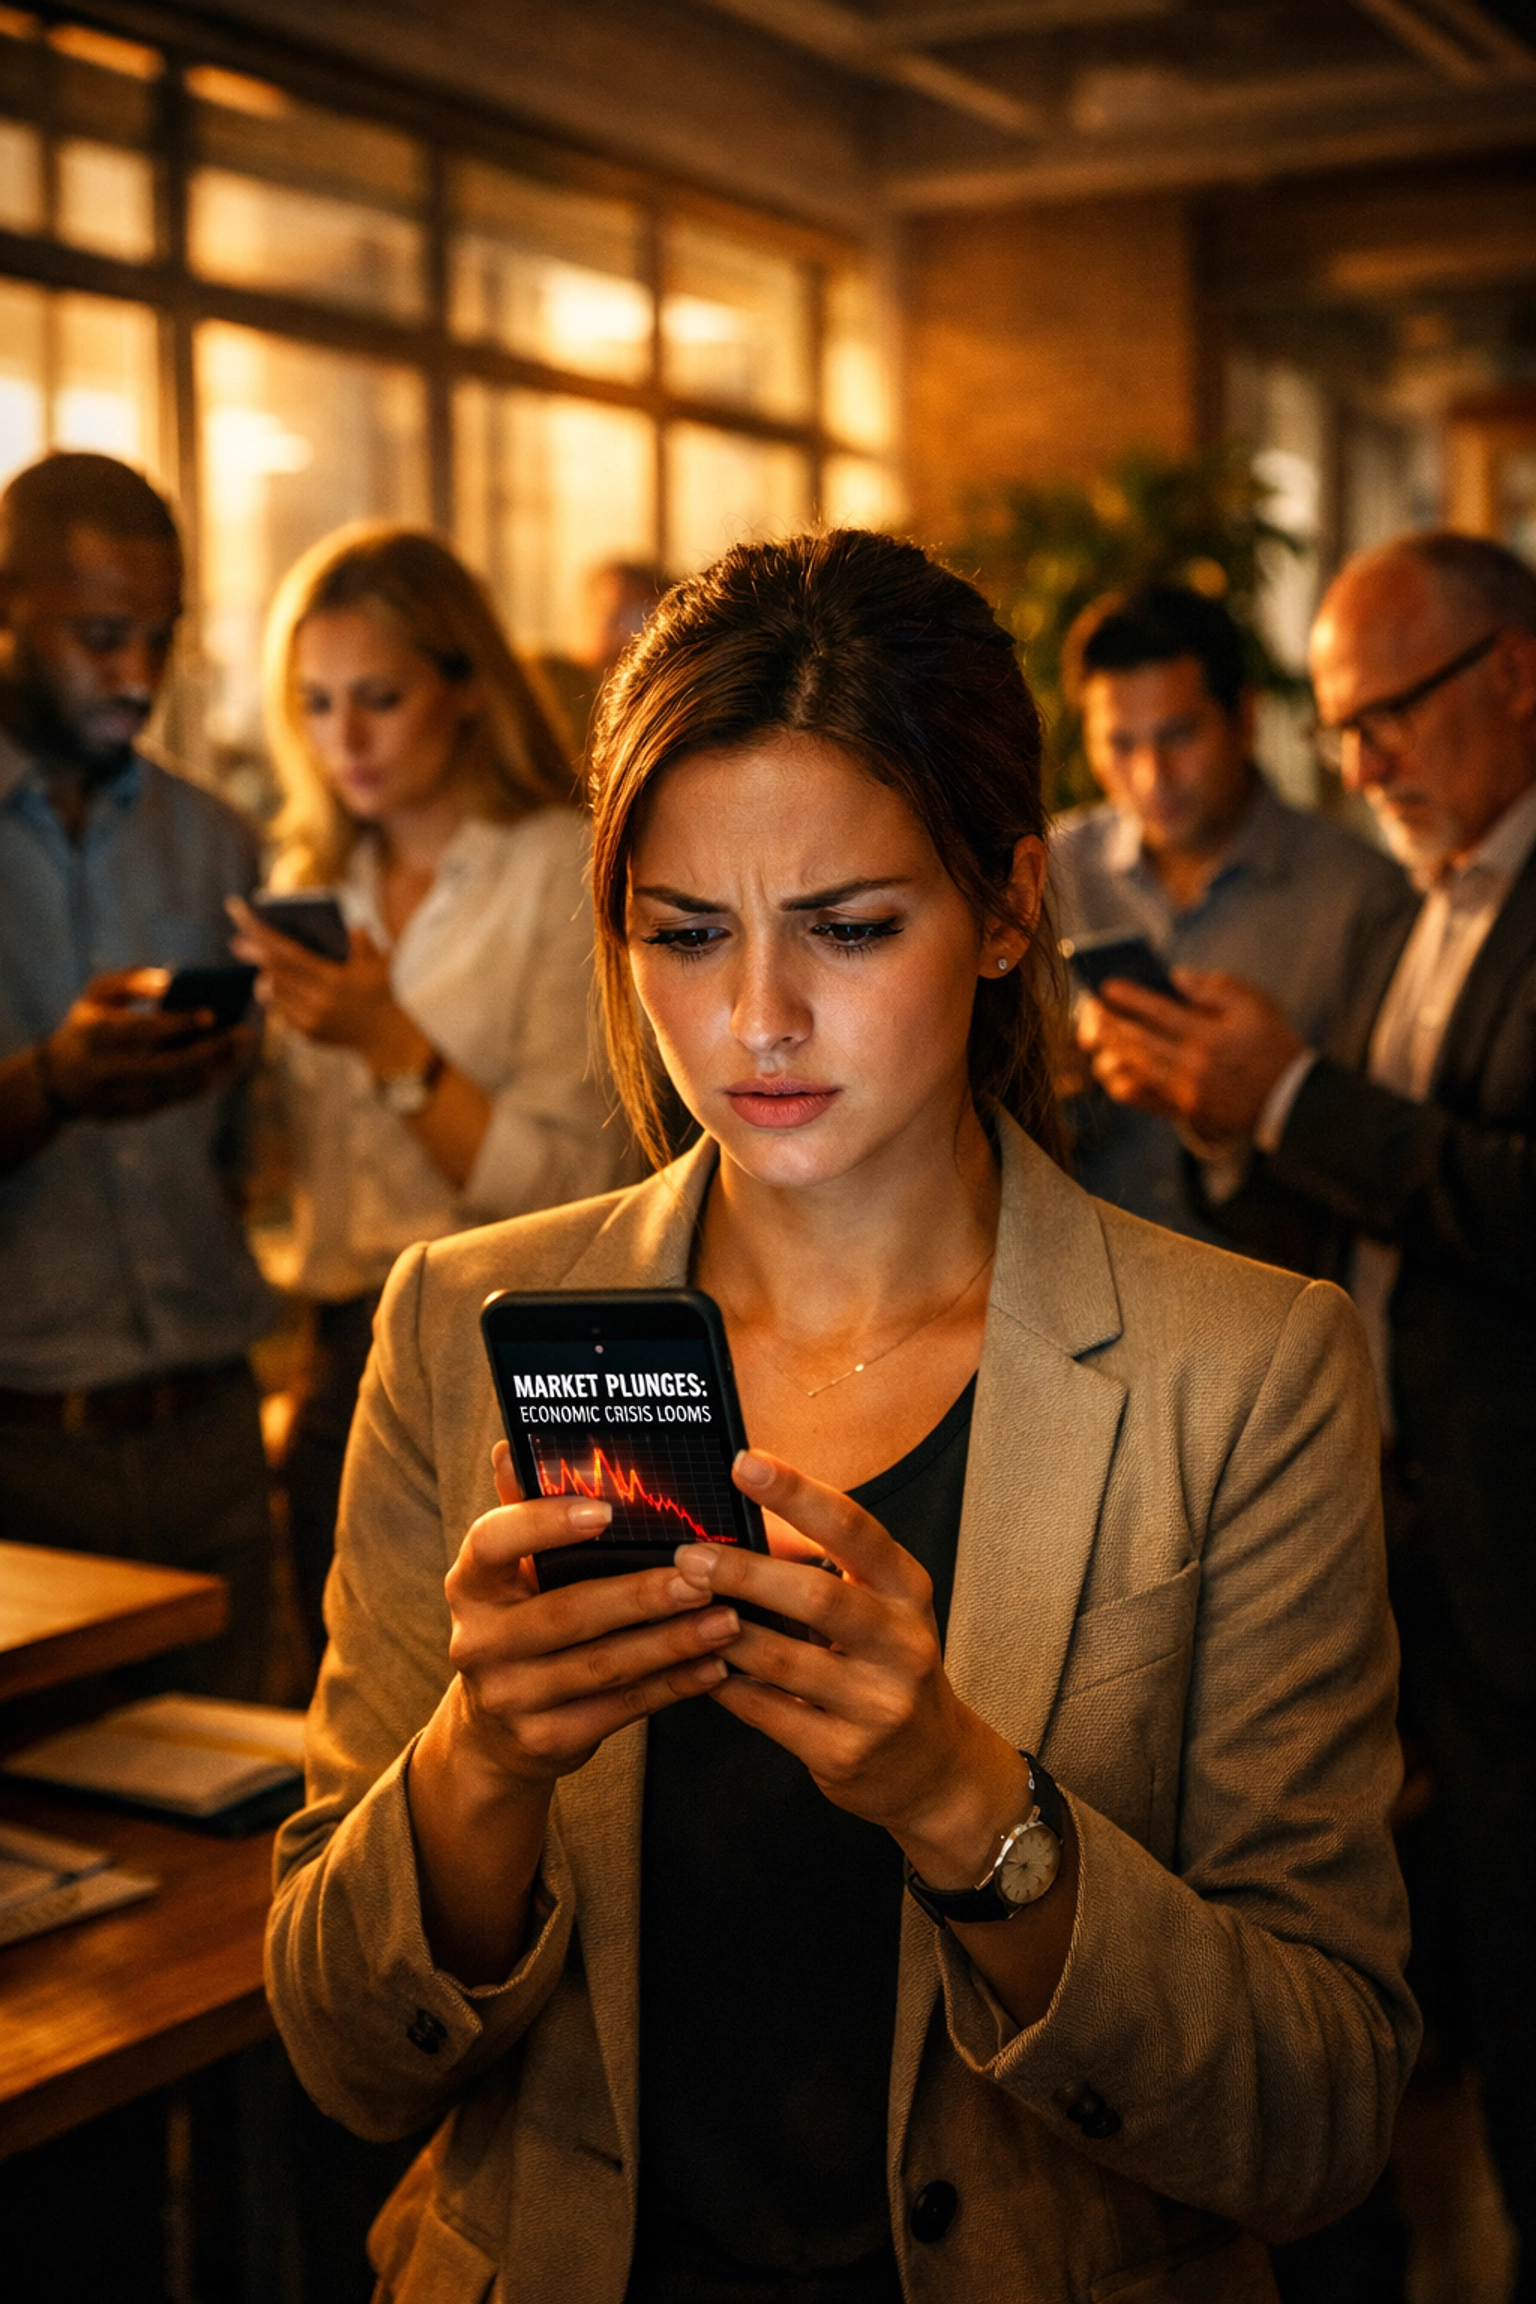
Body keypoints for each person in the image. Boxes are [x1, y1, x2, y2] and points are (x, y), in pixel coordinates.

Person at [266, 529, 1417, 2304]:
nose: (755, 1020)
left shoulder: (1242, 1371)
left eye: (850, 926)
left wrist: (966, 1798)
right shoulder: (458, 1326)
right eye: (684, 931)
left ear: (1010, 907)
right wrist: (480, 1761)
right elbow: (344, 2047)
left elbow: (1322, 2108)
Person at [1076, 530, 1536, 2298]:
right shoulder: (1445, 885)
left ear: (1508, 671)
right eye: (1343, 728)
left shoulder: (1383, 886)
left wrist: (1285, 1093)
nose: (1363, 764)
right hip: (1423, 1512)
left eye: (1388, 715)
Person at [230, 524, 631, 1672]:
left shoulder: (557, 869)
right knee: (342, 1707)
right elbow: (286, 1167)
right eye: (313, 704)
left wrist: (389, 1044)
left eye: (377, 697)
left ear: (464, 687)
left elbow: (572, 1181)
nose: (341, 737)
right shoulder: (309, 883)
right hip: (336, 1349)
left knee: (519, 1709)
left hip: (499, 1356)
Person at [0, 451, 272, 1698]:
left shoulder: (217, 839)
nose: (139, 676)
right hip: (24, 1452)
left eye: (160, 638)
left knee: (244, 1832)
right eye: (102, 635)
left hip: (211, 1426)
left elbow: (244, 1152)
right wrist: (51, 1085)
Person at [1052, 583, 1412, 1241]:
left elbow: (1388, 1156)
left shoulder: (1362, 896)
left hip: (1276, 1300)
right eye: (1121, 744)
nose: (1151, 776)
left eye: (1179, 735)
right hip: (1074, 1293)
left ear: (1244, 719)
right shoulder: (1050, 874)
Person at [536, 559, 670, 758]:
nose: (633, 632)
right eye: (616, 614)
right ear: (575, 618)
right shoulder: (541, 684)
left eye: (648, 617)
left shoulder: (663, 702)